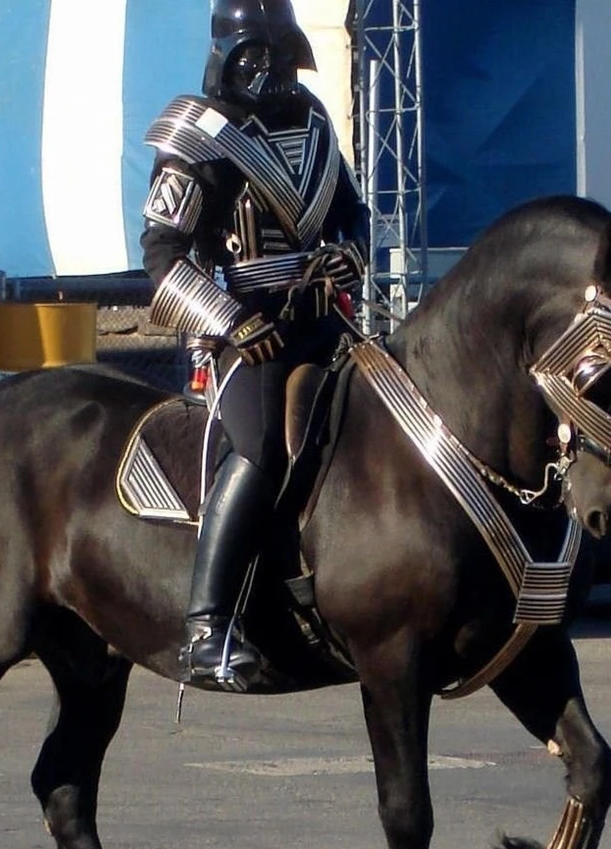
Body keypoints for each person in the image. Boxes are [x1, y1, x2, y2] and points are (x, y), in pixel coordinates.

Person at [141, 0, 370, 692]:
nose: (270, 70)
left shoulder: (315, 121)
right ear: (227, 55)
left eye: (278, 52)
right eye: (254, 55)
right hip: (249, 334)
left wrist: (347, 257)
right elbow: (161, 256)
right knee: (263, 445)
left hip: (325, 319)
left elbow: (353, 216)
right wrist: (231, 320)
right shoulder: (196, 134)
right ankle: (207, 624)